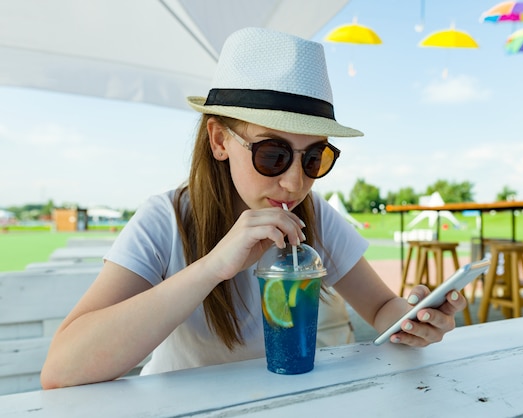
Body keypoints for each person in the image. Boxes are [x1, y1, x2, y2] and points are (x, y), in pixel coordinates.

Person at [40, 27, 466, 389]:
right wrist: (211, 267)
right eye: (273, 154)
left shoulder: (314, 215)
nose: (296, 182)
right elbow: (61, 370)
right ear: (220, 141)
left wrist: (415, 319)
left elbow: (380, 309)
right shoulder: (165, 220)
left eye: (314, 158)